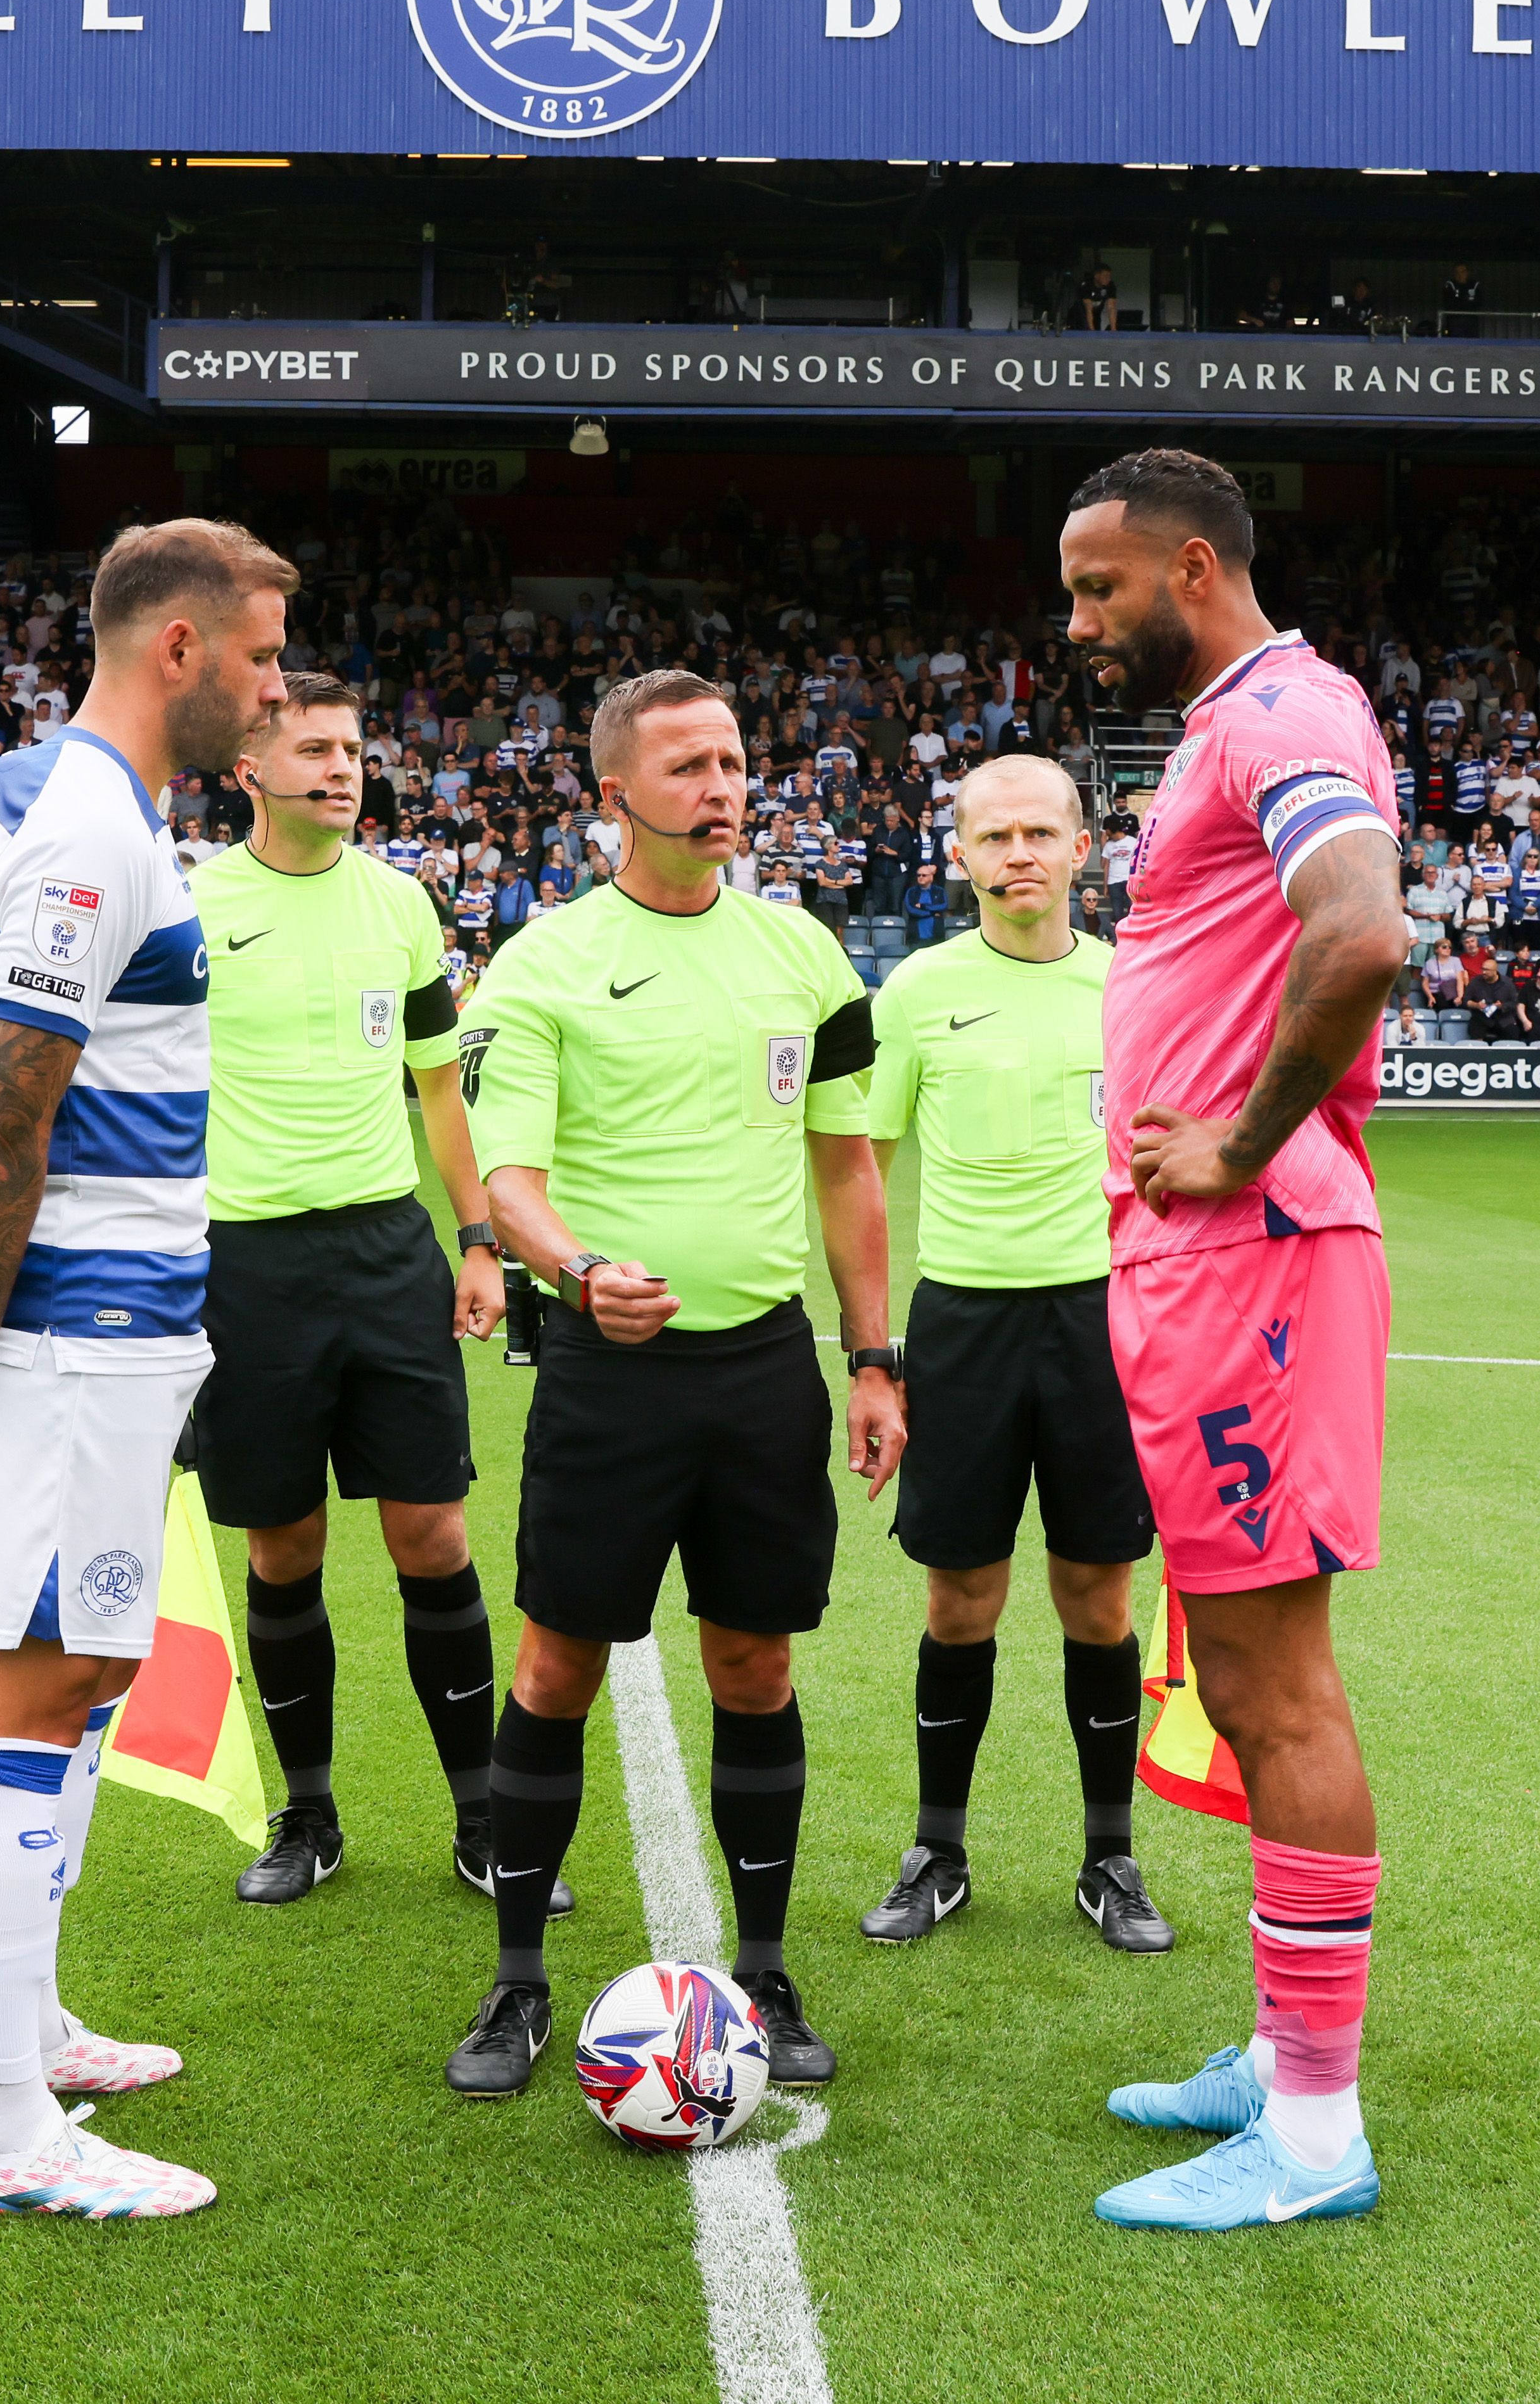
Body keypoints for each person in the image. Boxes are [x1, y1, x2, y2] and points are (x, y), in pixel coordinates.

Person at [0, 515, 296, 2223]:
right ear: (179, 647)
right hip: (69, 1338)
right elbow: (2, 1109)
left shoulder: (44, 791)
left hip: (92, 1332)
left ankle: (30, 2025)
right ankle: (3, 2130)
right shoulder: (87, 834)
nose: (271, 695)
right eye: (262, 659)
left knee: (84, 1678)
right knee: (31, 1689)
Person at [437, 669, 905, 2103]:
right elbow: (505, 1180)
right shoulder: (541, 968)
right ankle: (517, 1983)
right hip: (607, 1370)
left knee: (753, 1665)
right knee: (554, 1666)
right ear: (612, 798)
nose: (722, 784)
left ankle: (759, 1967)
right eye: (689, 764)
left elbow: (846, 1170)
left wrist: (872, 1354)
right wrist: (579, 1274)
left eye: (733, 758)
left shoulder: (807, 958)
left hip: (761, 1368)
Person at [1055, 446, 1408, 2234]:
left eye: (1097, 586)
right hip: (1212, 1255)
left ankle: (1318, 2131)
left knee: (1275, 1683)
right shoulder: (1236, 723)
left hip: (1247, 1247)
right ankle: (1284, 2054)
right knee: (1253, 1662)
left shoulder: (1286, 709)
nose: (1077, 619)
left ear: (1192, 565)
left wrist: (1239, 1141)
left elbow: (1362, 937)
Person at [189, 672, 551, 1916]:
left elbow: (439, 1091)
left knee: (430, 1536)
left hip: (386, 1259)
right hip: (243, 1269)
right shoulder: (190, 906)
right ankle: (311, 1815)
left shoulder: (401, 904)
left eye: (353, 749)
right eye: (315, 748)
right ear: (250, 768)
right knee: (284, 1544)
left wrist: (474, 1242)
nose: (343, 768)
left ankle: (481, 1818)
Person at [850, 753, 1171, 1955]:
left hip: (1103, 1324)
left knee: (1097, 1598)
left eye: (1043, 831)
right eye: (997, 836)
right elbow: (862, 1182)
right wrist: (875, 1352)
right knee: (961, 1598)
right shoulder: (918, 991)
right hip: (967, 1325)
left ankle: (1111, 1858)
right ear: (961, 854)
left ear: (1085, 850)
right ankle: (940, 1850)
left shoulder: (1136, 985)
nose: (1020, 853)